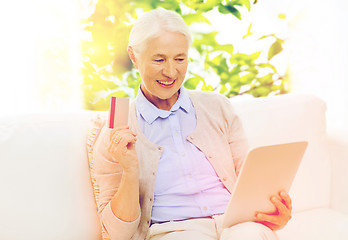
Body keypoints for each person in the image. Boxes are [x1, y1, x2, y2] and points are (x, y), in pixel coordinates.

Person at [92, 7, 292, 240]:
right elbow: (116, 235)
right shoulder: (116, 131)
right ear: (134, 56)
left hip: (235, 225)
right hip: (176, 232)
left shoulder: (218, 107)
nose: (170, 72)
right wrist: (129, 170)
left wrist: (274, 211)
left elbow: (250, 180)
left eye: (180, 59)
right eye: (159, 59)